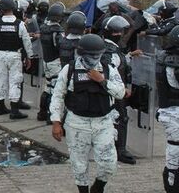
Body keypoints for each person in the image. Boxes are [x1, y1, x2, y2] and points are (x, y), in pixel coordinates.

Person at [50, 34, 126, 193]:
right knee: (79, 164)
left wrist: (102, 80)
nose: (94, 58)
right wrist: (56, 122)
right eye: (91, 55)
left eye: (97, 55)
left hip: (103, 122)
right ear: (81, 53)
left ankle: (98, 187)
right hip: (77, 123)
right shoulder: (69, 70)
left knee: (109, 163)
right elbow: (57, 95)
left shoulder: (108, 69)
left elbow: (120, 93)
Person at [101, 15, 139, 165]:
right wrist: (122, 88)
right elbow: (112, 72)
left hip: (111, 90)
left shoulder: (108, 48)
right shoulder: (110, 52)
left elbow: (121, 64)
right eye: (119, 31)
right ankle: (120, 150)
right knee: (120, 118)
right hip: (114, 92)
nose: (121, 34)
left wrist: (129, 56)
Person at [0, 0, 34, 119]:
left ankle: (1, 107)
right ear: (13, 8)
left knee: (0, 79)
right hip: (15, 56)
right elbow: (27, 42)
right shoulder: (20, 24)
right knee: (15, 81)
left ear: (1, 9)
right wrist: (29, 57)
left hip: (1, 55)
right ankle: (14, 110)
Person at [156, 25, 179, 193]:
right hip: (175, 115)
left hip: (168, 112)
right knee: (174, 158)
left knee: (173, 157)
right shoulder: (174, 62)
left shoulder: (163, 57)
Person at [36, 3, 65, 124]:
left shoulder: (44, 28)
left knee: (47, 87)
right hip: (55, 62)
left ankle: (42, 113)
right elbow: (61, 47)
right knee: (55, 89)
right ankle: (50, 115)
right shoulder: (57, 31)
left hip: (46, 61)